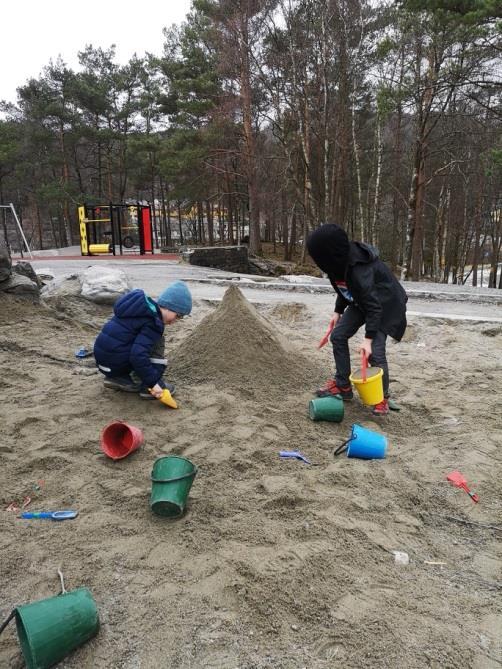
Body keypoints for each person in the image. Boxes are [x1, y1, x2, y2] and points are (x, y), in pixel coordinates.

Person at [307, 223, 407, 416]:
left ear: (329, 252)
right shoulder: (336, 264)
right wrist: (338, 311)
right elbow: (344, 286)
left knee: (374, 353)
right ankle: (343, 386)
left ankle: (381, 398)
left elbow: (374, 307)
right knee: (338, 336)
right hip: (363, 301)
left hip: (384, 305)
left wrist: (368, 339)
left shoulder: (360, 270)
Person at [93, 280, 192, 400]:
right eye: (178, 315)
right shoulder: (153, 323)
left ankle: (119, 379)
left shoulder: (137, 310)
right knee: (157, 341)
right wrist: (153, 384)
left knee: (134, 341)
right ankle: (146, 387)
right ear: (168, 307)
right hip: (116, 364)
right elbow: (138, 355)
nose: (175, 321)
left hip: (104, 364)